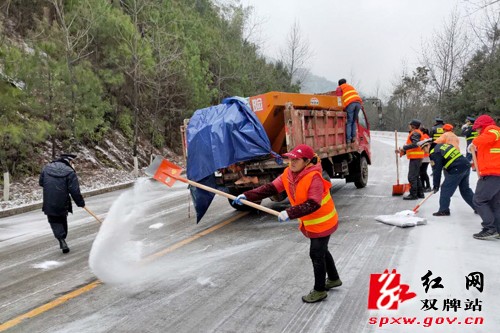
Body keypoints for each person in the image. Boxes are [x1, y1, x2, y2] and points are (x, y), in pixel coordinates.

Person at [233, 144, 341, 303]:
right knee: (322, 250)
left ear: (307, 161)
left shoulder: (314, 177)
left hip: (323, 220)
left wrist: (289, 213)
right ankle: (333, 279)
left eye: (296, 159)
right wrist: (247, 195)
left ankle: (319, 291)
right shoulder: (289, 174)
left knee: (316, 253)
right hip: (311, 222)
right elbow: (270, 188)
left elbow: (313, 203)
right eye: (290, 158)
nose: (292, 162)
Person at [39, 153, 85, 253]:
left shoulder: (46, 168)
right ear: (69, 161)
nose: (74, 165)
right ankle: (62, 238)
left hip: (49, 200)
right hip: (63, 201)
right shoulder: (70, 172)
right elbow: (75, 191)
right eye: (73, 162)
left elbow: (41, 182)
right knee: (62, 219)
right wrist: (80, 203)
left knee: (54, 221)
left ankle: (61, 239)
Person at [418, 139, 475, 216]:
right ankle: (478, 207)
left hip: (456, 168)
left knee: (445, 188)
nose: (424, 152)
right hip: (465, 165)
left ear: (428, 145)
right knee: (465, 190)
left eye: (424, 149)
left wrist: (436, 185)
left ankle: (444, 210)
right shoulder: (442, 146)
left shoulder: (434, 152)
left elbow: (436, 170)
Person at [468, 115, 500, 240]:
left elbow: (492, 136)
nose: (477, 131)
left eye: (478, 128)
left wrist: (474, 142)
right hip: (494, 173)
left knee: (479, 200)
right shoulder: (487, 136)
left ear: (483, 126)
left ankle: (489, 228)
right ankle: (497, 229)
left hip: (493, 173)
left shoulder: (492, 129)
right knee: (495, 203)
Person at [397, 119, 424, 200]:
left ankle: (413, 194)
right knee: (415, 176)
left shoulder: (415, 133)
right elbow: (413, 146)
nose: (408, 126)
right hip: (416, 157)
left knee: (411, 177)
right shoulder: (416, 132)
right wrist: (403, 151)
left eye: (410, 125)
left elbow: (415, 144)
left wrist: (404, 147)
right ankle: (420, 193)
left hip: (415, 158)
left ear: (413, 126)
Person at [337, 79, 362, 143]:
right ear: (345, 83)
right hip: (358, 104)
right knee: (354, 121)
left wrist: (340, 108)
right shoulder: (350, 87)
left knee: (349, 122)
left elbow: (339, 99)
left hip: (351, 104)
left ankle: (348, 139)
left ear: (339, 84)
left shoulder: (340, 88)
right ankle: (353, 137)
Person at [419, 128, 432, 192]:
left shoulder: (424, 137)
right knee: (422, 172)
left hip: (424, 157)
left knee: (423, 172)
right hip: (426, 157)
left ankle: (427, 186)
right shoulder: (427, 137)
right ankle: (423, 186)